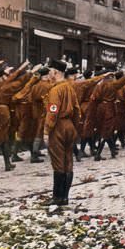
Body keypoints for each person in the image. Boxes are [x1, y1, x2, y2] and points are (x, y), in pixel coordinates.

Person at [43, 59, 80, 206]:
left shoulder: (55, 90)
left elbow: (52, 111)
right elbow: (77, 110)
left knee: (58, 162)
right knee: (68, 162)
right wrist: (74, 127)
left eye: (50, 71)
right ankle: (65, 197)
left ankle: (57, 197)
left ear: (55, 72)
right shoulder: (70, 87)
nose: (49, 74)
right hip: (69, 125)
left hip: (58, 126)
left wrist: (47, 130)